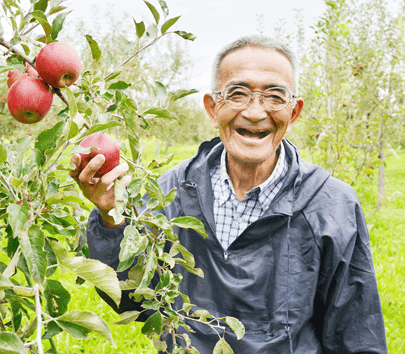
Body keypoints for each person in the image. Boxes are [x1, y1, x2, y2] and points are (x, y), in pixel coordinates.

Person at [69, 35, 387, 353]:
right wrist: (112, 214)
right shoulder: (169, 193)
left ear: (294, 112)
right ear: (212, 107)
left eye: (275, 96)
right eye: (237, 94)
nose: (254, 112)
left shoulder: (331, 206)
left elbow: (357, 334)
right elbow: (134, 302)